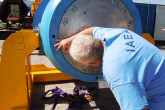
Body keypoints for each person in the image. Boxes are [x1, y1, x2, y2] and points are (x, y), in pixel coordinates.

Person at [54, 27, 165, 110]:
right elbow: (92, 29)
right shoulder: (115, 34)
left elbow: (137, 108)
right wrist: (70, 40)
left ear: (92, 64)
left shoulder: (116, 74)